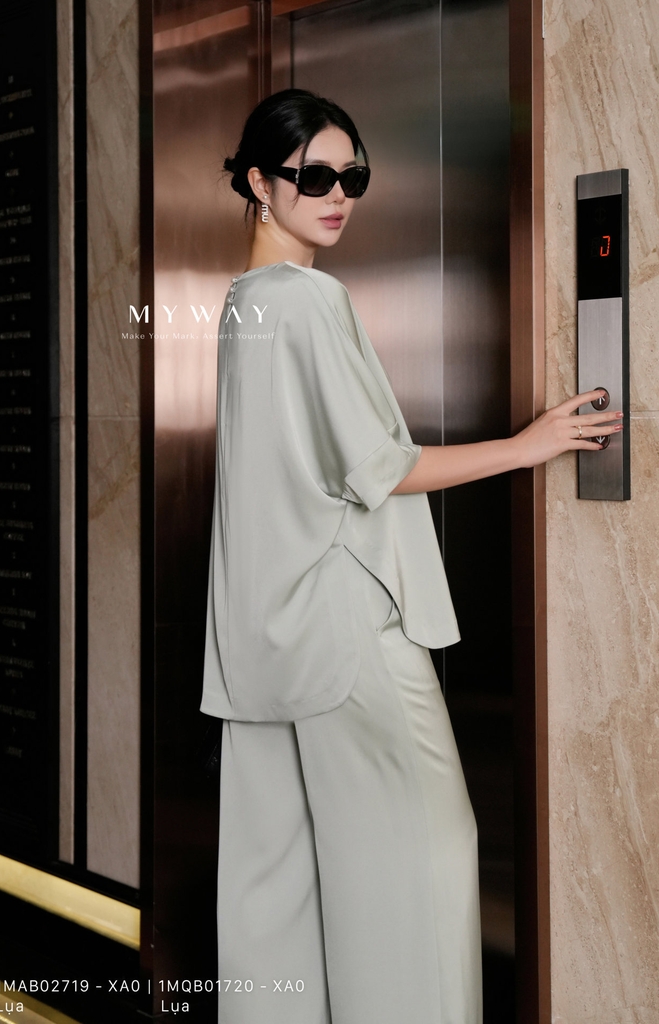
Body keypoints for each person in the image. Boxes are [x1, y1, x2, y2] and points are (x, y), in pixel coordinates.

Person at [200, 88, 621, 1024]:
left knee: (280, 893)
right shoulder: (306, 300)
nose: (336, 196)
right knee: (426, 858)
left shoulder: (242, 304)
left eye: (351, 178)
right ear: (260, 183)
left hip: (267, 639)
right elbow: (378, 469)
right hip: (347, 629)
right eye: (313, 176)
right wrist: (528, 444)